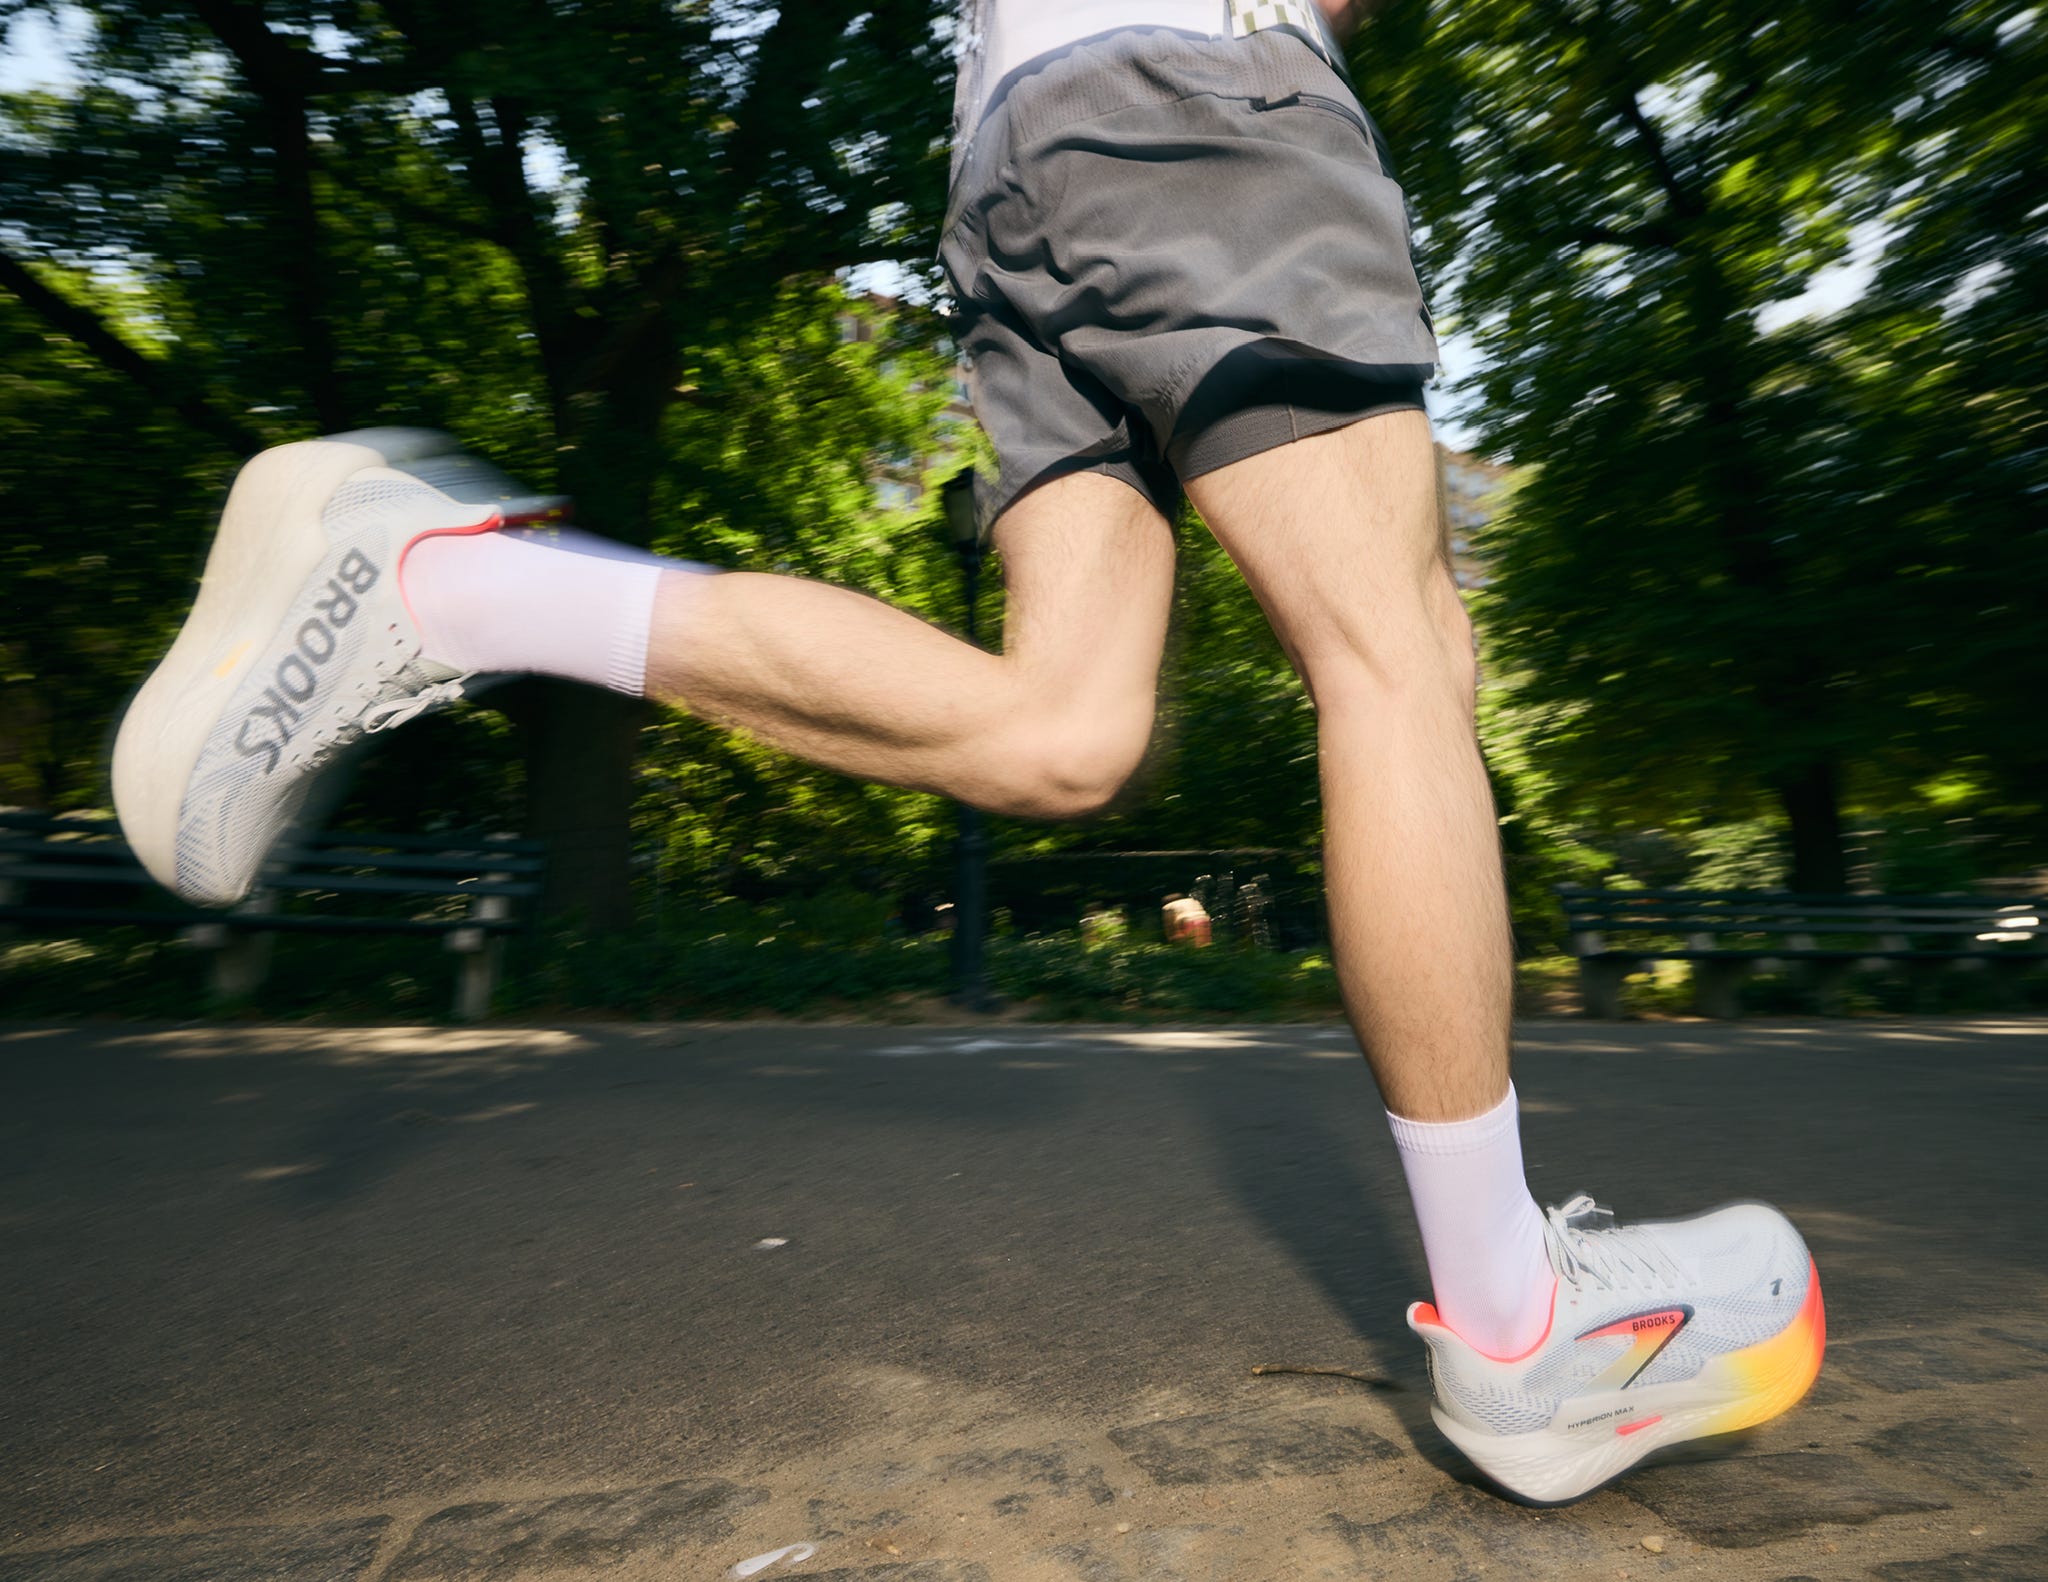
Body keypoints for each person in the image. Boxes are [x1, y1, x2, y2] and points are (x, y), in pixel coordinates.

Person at [111, 0, 1823, 1503]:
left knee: (1068, 733)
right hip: (1206, 95)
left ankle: (461, 591)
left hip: (1025, 155)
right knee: (1399, 654)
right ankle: (1516, 1323)